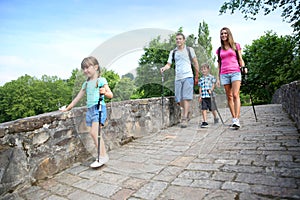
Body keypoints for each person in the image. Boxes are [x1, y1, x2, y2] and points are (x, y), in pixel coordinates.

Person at [61, 56, 113, 167]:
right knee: (95, 133)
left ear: (95, 67)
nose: (85, 71)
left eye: (87, 68)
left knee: (94, 133)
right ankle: (103, 156)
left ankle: (102, 157)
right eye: (83, 68)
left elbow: (110, 95)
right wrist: (67, 108)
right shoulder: (86, 83)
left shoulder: (101, 80)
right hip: (90, 110)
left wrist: (104, 92)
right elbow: (77, 98)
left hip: (98, 108)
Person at [160, 33, 199, 128]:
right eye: (177, 39)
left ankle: (184, 118)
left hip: (188, 76)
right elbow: (169, 64)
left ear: (184, 40)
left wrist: (197, 75)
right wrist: (164, 68)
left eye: (180, 39)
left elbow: (195, 62)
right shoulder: (173, 52)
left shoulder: (189, 50)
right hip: (178, 77)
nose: (178, 41)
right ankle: (187, 110)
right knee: (178, 99)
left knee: (186, 98)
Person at [216, 27, 246, 129]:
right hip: (224, 73)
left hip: (235, 72)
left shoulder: (235, 46)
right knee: (229, 96)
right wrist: (218, 78)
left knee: (235, 94)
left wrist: (244, 68)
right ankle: (234, 118)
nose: (223, 35)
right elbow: (219, 64)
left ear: (229, 34)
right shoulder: (219, 50)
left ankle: (237, 119)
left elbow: (240, 59)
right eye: (222, 34)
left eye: (225, 33)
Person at [198, 63, 219, 128]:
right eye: (202, 69)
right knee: (203, 108)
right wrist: (200, 95)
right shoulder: (201, 79)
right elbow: (200, 87)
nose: (203, 71)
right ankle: (205, 121)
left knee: (212, 109)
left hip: (210, 96)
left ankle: (215, 117)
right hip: (204, 96)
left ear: (208, 69)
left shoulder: (211, 77)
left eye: (205, 69)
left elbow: (213, 84)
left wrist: (211, 90)